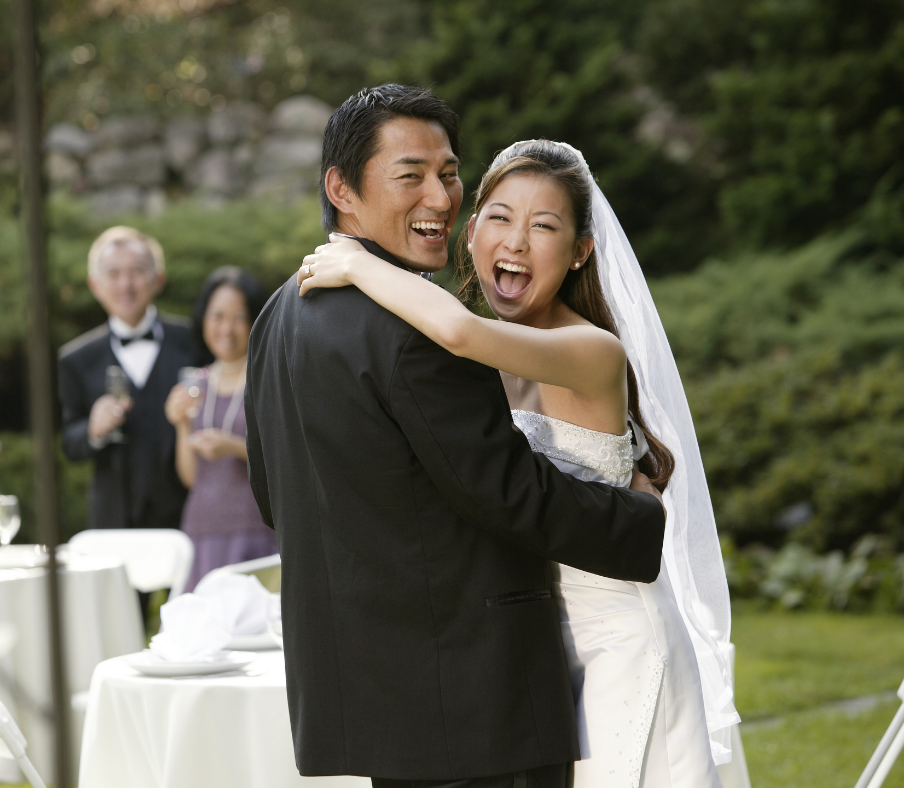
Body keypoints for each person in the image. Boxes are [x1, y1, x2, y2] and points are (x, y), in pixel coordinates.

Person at [244, 84, 667, 788]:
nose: (441, 198)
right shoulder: (417, 335)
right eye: (411, 175)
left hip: (381, 702)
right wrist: (640, 520)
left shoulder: (280, 313)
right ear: (341, 189)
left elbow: (274, 495)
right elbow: (508, 495)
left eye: (448, 174)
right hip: (473, 700)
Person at [297, 139, 741, 786]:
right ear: (472, 233)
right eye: (500, 219)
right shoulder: (464, 368)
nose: (517, 241)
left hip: (619, 643)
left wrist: (360, 264)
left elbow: (459, 331)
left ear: (580, 251)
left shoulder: (589, 351)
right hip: (529, 644)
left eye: (545, 226)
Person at [59, 226, 195, 532]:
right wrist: (92, 429)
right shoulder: (75, 360)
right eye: (113, 273)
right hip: (113, 523)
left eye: (137, 271)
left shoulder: (194, 344)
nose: (126, 284)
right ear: (95, 284)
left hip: (187, 518)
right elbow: (69, 443)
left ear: (157, 279)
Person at [165, 266, 276, 592]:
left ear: (254, 321)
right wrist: (181, 426)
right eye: (217, 316)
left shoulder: (265, 380)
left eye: (238, 317)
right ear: (203, 320)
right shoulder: (193, 385)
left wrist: (232, 446)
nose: (226, 328)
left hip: (254, 532)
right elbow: (191, 478)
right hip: (202, 532)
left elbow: (283, 461)